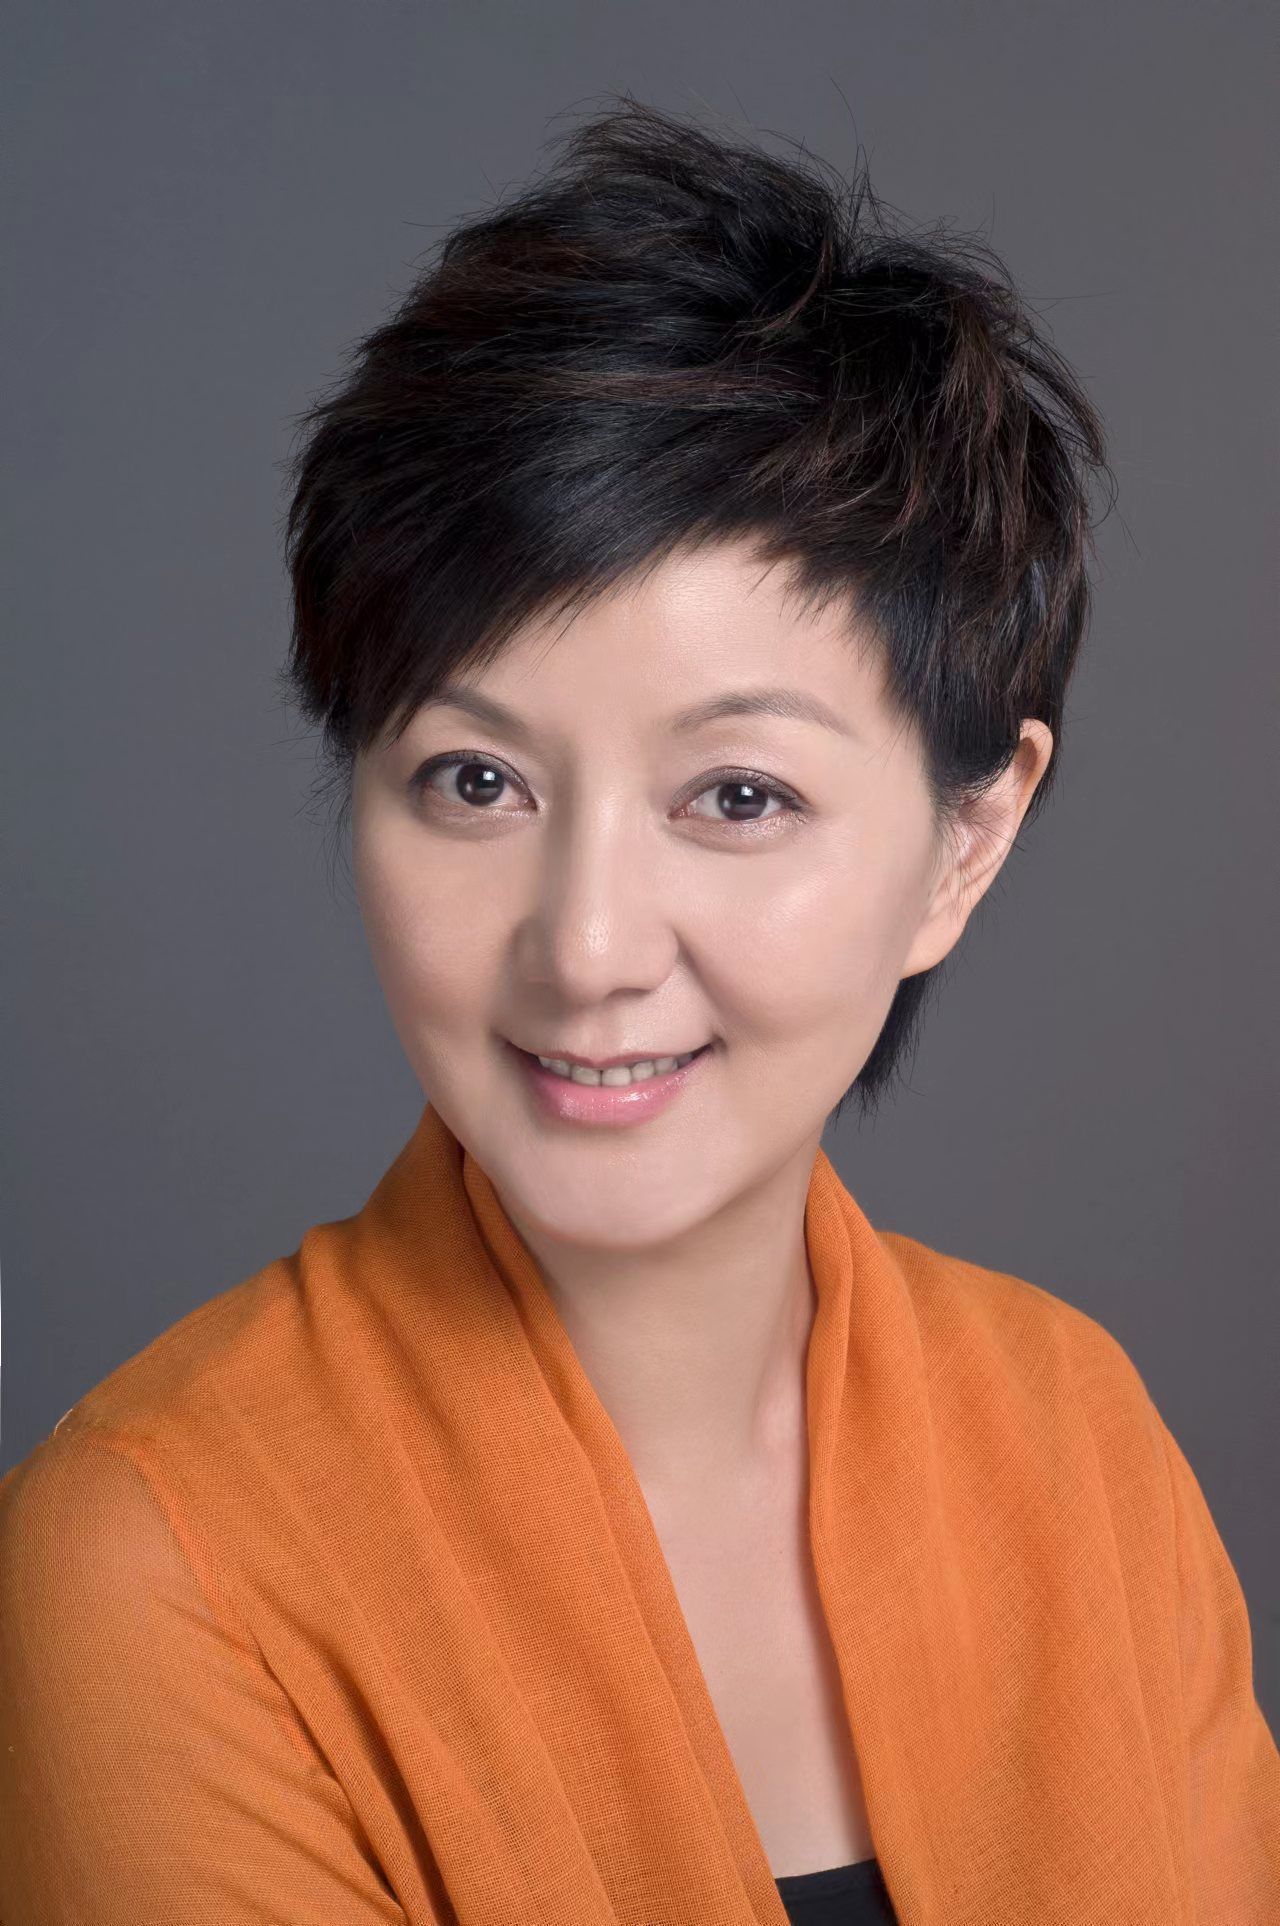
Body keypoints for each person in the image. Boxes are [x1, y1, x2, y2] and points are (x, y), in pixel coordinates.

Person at [2, 94, 1276, 1926]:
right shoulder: (160, 1553)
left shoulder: (1078, 1439)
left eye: (736, 795)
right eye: (475, 780)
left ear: (966, 842)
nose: (586, 943)